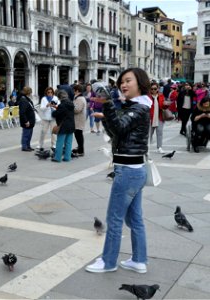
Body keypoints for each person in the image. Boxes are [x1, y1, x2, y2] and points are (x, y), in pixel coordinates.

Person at [85, 67, 151, 273]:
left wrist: (108, 106)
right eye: (122, 81)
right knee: (135, 219)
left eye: (128, 80)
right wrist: (106, 115)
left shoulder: (139, 108)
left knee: (114, 218)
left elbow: (120, 128)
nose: (123, 84)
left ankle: (108, 262)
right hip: (135, 168)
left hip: (129, 170)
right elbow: (117, 133)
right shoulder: (136, 106)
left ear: (140, 83)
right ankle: (139, 260)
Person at [51, 90, 75, 162]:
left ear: (60, 97)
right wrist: (57, 108)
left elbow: (56, 114)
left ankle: (57, 158)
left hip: (63, 126)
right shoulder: (71, 104)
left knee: (60, 142)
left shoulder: (62, 105)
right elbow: (65, 112)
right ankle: (67, 157)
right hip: (71, 125)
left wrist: (54, 111)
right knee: (68, 142)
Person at [149, 82, 168, 153]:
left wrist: (166, 104)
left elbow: (162, 106)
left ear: (158, 89)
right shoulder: (148, 97)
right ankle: (147, 147)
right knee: (149, 134)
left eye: (155, 89)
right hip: (150, 118)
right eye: (152, 89)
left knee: (159, 133)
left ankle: (159, 147)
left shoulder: (161, 96)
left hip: (159, 117)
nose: (153, 90)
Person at [38, 87, 58, 152]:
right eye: (48, 92)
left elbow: (59, 106)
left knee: (53, 132)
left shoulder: (55, 98)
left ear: (53, 92)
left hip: (53, 117)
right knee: (43, 131)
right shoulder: (44, 99)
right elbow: (41, 108)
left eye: (51, 92)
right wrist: (47, 106)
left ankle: (53, 145)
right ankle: (40, 144)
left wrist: (54, 106)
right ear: (46, 93)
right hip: (45, 118)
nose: (50, 93)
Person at [18, 86, 35, 151]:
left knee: (29, 134)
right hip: (27, 121)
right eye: (30, 92)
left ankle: (28, 145)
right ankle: (24, 147)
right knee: (26, 134)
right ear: (28, 92)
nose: (31, 94)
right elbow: (22, 112)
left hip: (30, 121)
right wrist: (26, 121)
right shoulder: (24, 100)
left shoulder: (27, 99)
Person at [72, 84, 86, 157]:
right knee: (78, 134)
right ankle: (80, 148)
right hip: (78, 119)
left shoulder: (80, 99)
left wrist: (71, 107)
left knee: (78, 135)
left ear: (77, 90)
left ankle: (81, 150)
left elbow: (77, 110)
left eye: (74, 90)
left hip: (79, 120)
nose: (73, 91)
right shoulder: (78, 98)